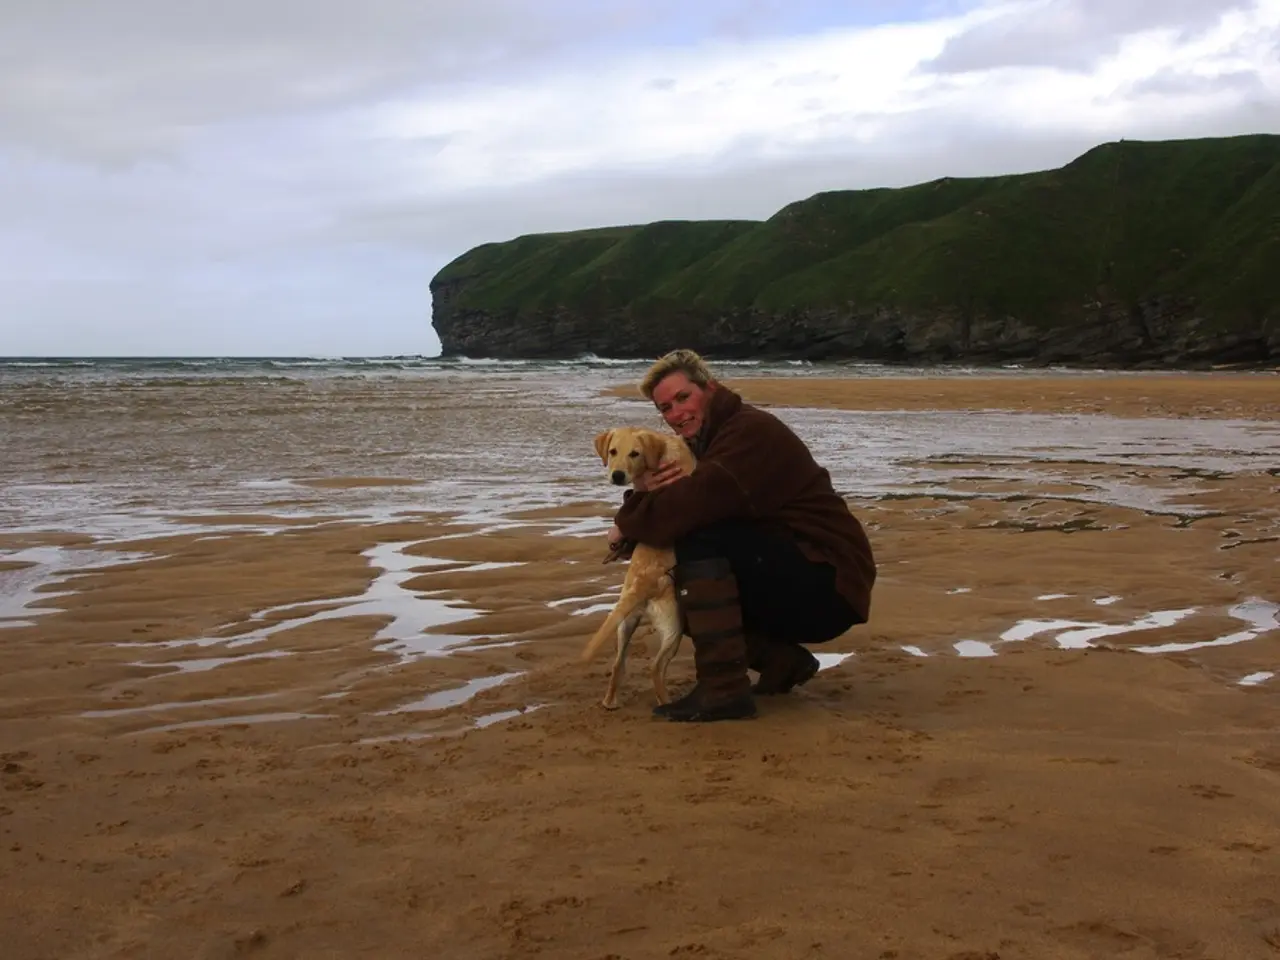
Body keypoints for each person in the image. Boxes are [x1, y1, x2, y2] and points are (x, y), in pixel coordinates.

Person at [607, 349, 877, 723]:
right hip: (800, 571)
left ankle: (723, 690)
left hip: (831, 581)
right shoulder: (707, 441)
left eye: (684, 397)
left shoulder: (749, 432)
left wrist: (626, 519)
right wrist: (642, 496)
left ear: (711, 388)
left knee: (696, 542)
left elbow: (694, 504)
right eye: (665, 408)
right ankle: (783, 662)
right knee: (675, 575)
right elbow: (685, 502)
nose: (676, 414)